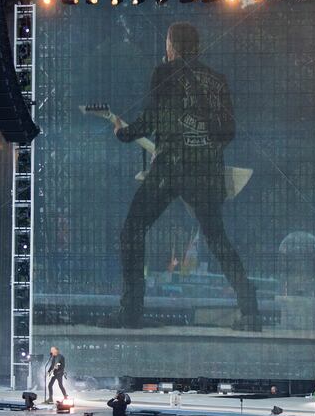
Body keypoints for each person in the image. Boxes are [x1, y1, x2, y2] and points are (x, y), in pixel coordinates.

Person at [112, 22, 261, 331]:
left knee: (132, 231)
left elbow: (149, 119)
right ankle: (251, 312)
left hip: (172, 166)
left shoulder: (164, 73)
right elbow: (228, 132)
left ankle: (131, 311)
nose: (165, 48)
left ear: (173, 45)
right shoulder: (217, 80)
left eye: (167, 42)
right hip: (206, 170)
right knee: (217, 239)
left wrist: (123, 133)